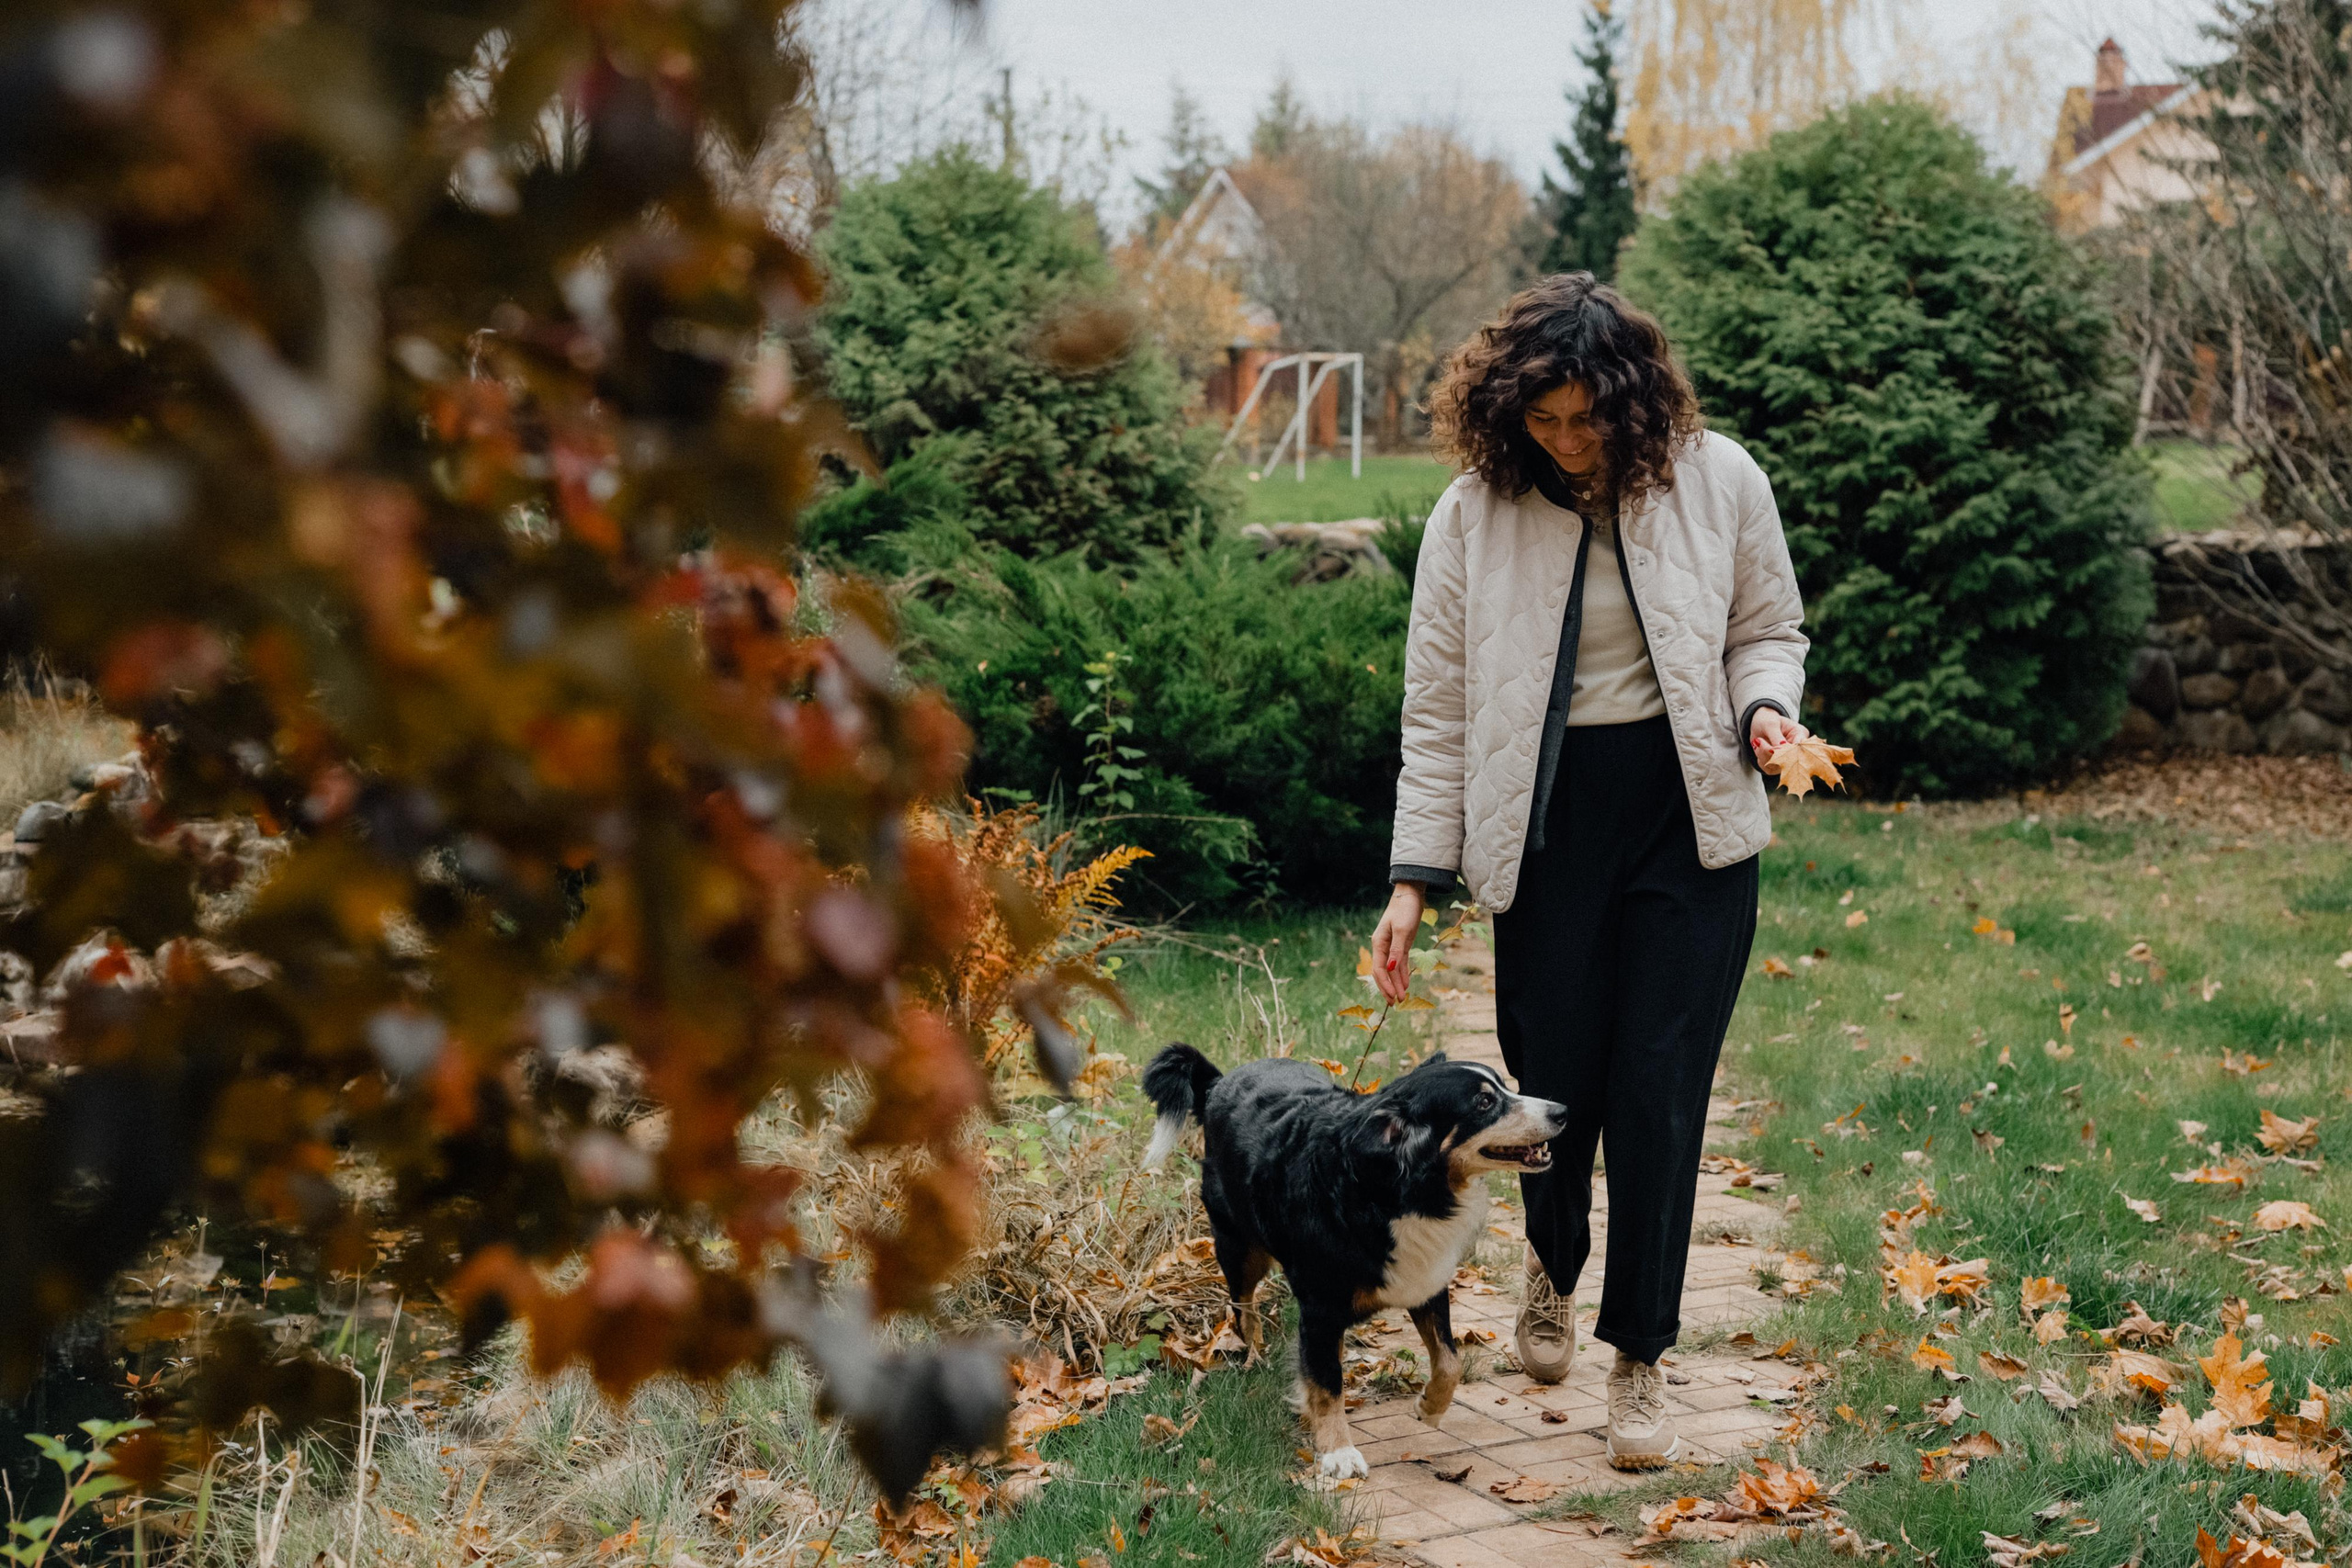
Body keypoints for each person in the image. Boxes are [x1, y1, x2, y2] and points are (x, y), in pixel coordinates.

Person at [1369, 273, 1808, 1471]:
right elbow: (1438, 711)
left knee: (1662, 1093)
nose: (1564, 444)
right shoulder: (1475, 512)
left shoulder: (1723, 480)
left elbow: (1768, 628)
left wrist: (1767, 710)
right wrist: (1413, 877)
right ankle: (1553, 1268)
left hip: (1689, 823)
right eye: (1542, 420)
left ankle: (1643, 1365)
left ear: (1635, 404)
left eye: (1586, 420)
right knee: (1556, 1092)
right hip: (1548, 836)